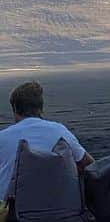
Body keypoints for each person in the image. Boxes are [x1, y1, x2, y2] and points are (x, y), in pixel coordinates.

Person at [0, 80, 94, 216]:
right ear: (40, 107)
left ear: (14, 107)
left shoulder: (2, 137)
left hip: (13, 214)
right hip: (60, 213)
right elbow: (90, 165)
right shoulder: (60, 131)